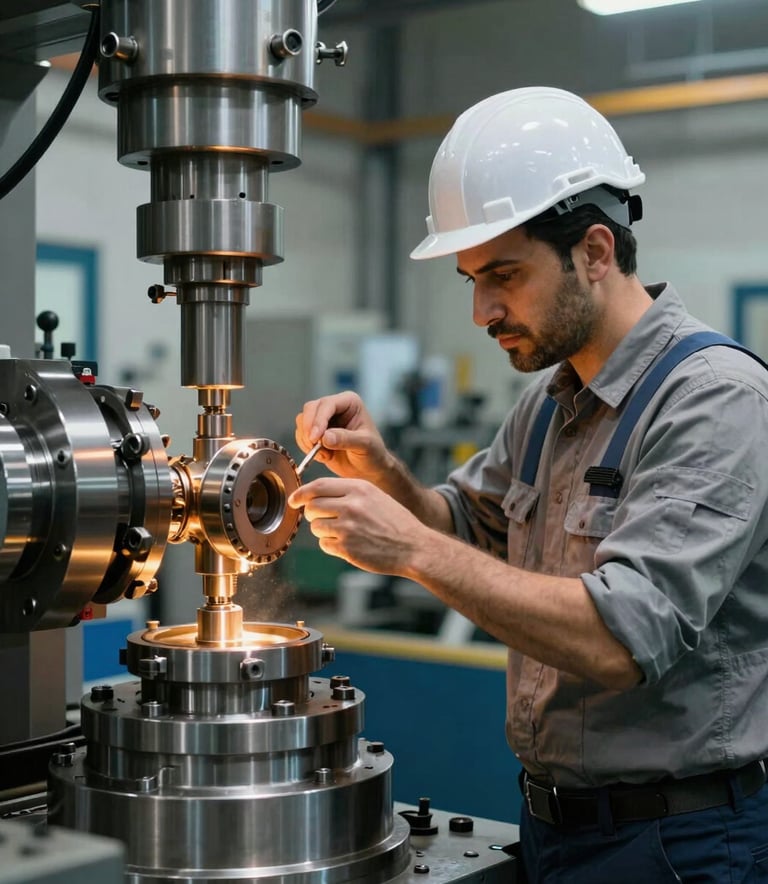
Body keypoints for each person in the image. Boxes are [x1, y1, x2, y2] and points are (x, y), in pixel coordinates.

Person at [288, 86, 768, 883]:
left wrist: (406, 549)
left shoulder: (715, 400)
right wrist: (382, 471)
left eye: (503, 274)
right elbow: (463, 526)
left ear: (595, 252)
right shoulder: (550, 403)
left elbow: (622, 637)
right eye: (472, 279)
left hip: (683, 844)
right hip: (556, 830)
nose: (482, 309)